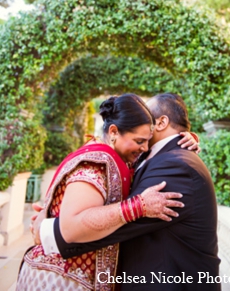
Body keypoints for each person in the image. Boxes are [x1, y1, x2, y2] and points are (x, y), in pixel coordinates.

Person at [17, 93, 196, 291]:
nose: (145, 147)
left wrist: (182, 140)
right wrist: (139, 206)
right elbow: (71, 227)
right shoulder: (95, 163)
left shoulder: (118, 157)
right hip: (59, 281)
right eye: (139, 141)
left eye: (147, 141)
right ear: (113, 132)